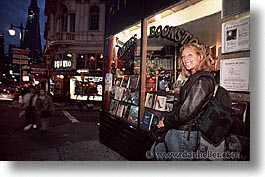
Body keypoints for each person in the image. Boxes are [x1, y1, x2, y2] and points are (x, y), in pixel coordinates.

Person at [152, 43, 215, 160]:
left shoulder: (202, 80)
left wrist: (165, 122)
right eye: (183, 56)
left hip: (184, 134)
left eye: (190, 55)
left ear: (200, 57)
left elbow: (185, 112)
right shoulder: (194, 78)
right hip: (178, 131)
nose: (186, 59)